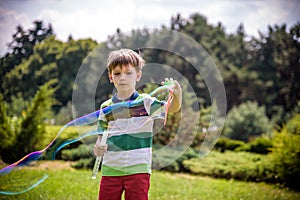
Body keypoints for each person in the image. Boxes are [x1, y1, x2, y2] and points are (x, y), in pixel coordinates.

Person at [94, 48, 182, 200]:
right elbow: (101, 136)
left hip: (138, 169)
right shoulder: (106, 107)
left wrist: (177, 93)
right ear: (110, 77)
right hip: (111, 169)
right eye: (117, 73)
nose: (123, 78)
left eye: (128, 73)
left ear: (138, 76)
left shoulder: (146, 102)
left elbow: (172, 108)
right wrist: (97, 147)